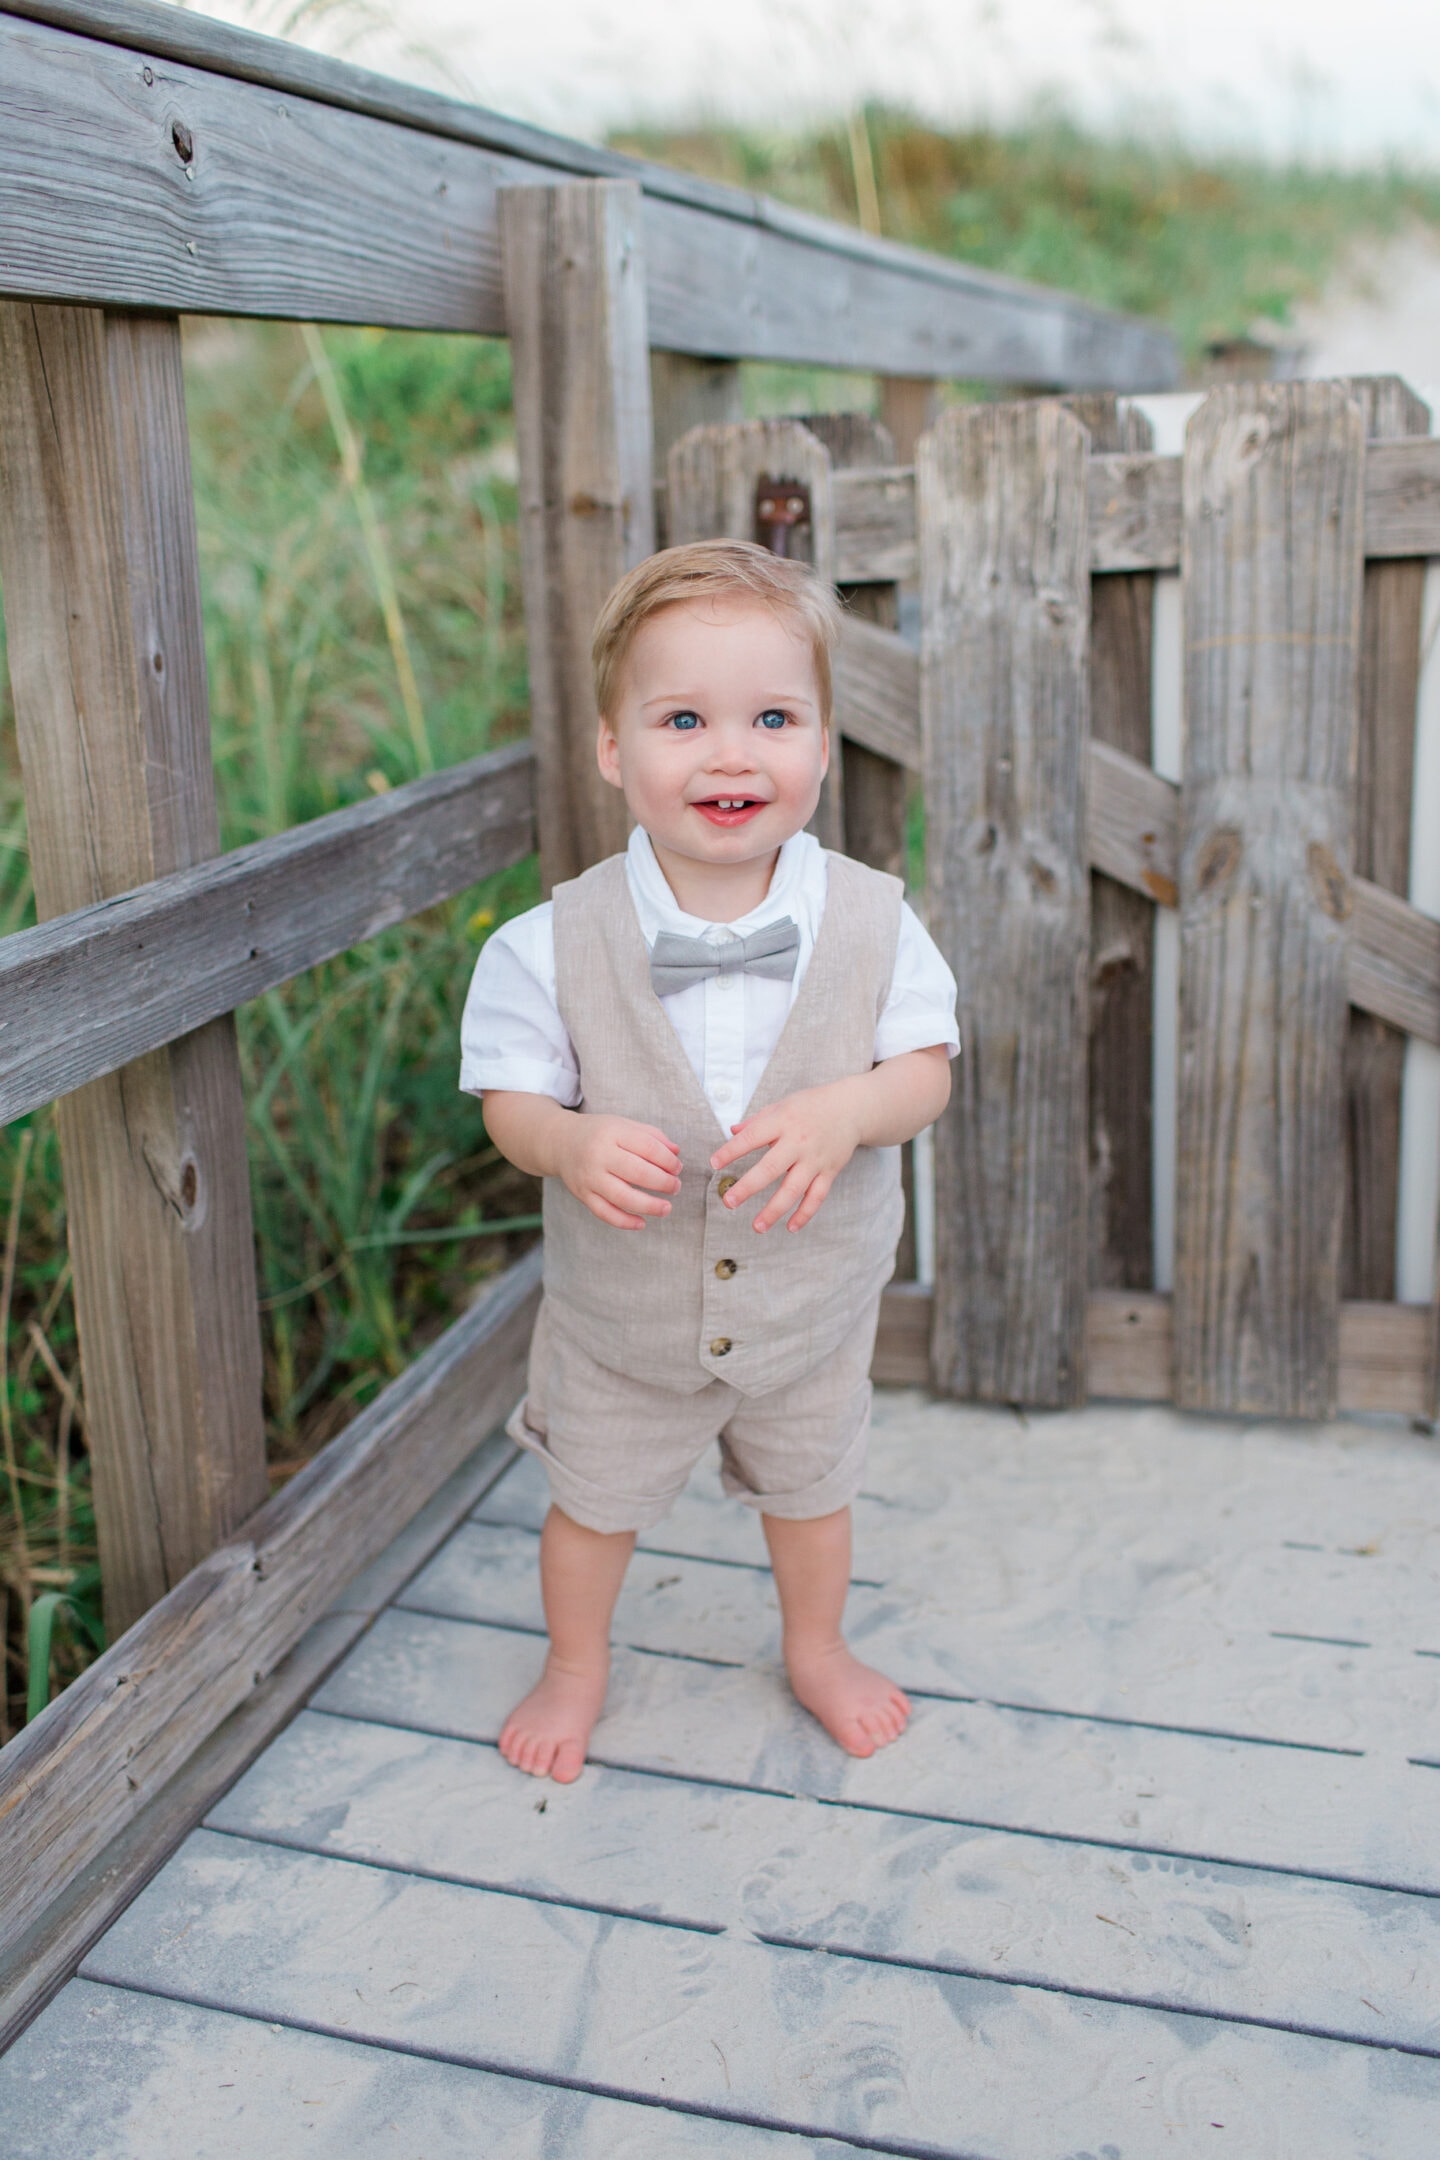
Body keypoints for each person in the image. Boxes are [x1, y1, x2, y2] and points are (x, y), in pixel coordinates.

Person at [460, 538, 958, 1783]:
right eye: (684, 719)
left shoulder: (875, 923)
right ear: (615, 750)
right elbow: (508, 1103)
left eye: (773, 718)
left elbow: (926, 1074)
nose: (732, 753)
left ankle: (817, 1646)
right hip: (619, 1326)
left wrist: (847, 1110)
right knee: (593, 1502)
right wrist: (566, 1140)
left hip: (809, 1307)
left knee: (813, 1491)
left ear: (824, 744)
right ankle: (578, 1665)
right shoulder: (546, 943)